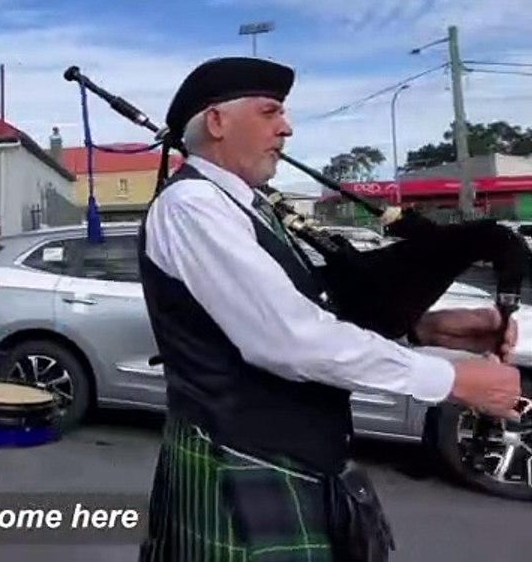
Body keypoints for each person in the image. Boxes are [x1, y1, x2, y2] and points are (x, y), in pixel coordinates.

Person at [136, 57, 522, 562]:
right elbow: (288, 340)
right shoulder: (193, 206)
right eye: (271, 111)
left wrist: (422, 329)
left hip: (289, 459)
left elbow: (306, 310)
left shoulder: (245, 206)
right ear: (216, 122)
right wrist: (449, 380)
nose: (286, 127)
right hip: (241, 459)